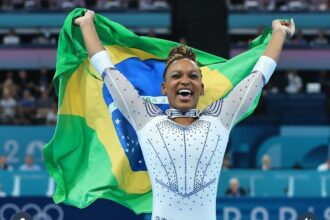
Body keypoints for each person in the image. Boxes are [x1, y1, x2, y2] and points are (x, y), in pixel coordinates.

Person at [75, 10, 295, 220]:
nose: (184, 80)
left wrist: (279, 32)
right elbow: (108, 72)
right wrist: (87, 26)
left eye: (193, 75)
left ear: (201, 88)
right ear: (164, 88)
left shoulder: (220, 119)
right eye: (176, 75)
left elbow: (258, 77)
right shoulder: (145, 118)